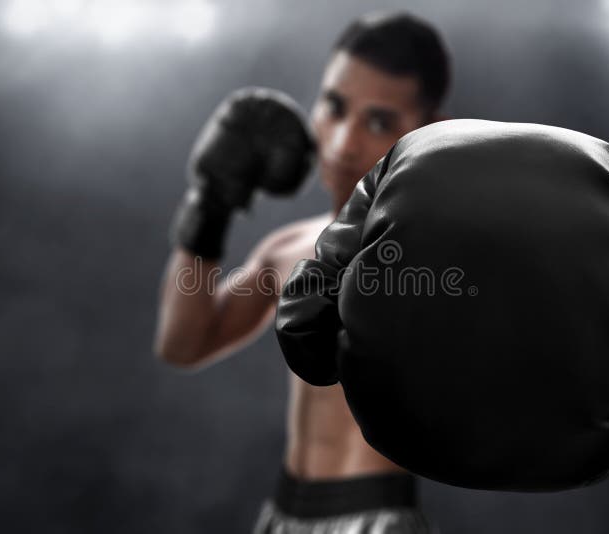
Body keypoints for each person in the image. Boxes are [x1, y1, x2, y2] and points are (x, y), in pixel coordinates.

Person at [154, 11, 451, 533]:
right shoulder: (287, 247)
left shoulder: (432, 252)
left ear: (423, 132)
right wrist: (209, 205)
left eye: (379, 122)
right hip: (283, 513)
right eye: (333, 107)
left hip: (375, 516)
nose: (341, 143)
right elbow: (183, 344)